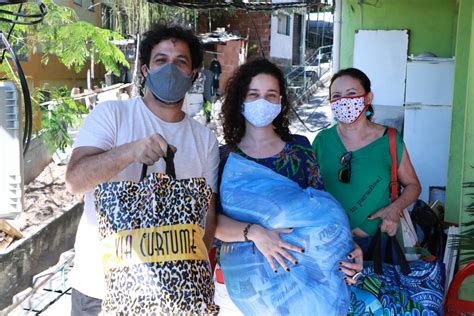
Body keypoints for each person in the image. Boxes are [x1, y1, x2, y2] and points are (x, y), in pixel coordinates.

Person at [65, 25, 219, 315]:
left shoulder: (205, 140)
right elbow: (75, 181)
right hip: (100, 291)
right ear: (146, 70)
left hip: (173, 293)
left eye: (180, 62)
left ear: (194, 74)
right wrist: (131, 152)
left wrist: (186, 271)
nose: (170, 69)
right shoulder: (112, 115)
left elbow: (207, 216)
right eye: (161, 61)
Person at [214, 58, 363, 314]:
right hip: (242, 292)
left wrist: (349, 248)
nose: (263, 102)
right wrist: (257, 234)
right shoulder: (225, 157)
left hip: (302, 286)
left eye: (271, 95)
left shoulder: (300, 149)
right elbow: (211, 223)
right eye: (254, 95)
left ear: (281, 102)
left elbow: (323, 214)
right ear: (240, 101)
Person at [312, 68, 421, 253]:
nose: (343, 101)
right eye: (336, 96)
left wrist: (394, 209)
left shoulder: (390, 140)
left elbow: (413, 185)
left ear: (368, 98)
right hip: (329, 242)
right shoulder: (322, 140)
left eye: (351, 94)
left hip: (377, 241)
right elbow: (309, 189)